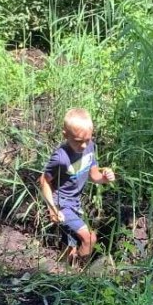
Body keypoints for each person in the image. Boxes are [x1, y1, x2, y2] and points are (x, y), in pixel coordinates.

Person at [39, 108, 116, 263]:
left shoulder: (90, 147)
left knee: (70, 246)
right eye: (78, 141)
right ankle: (80, 275)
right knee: (89, 238)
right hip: (62, 205)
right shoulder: (60, 157)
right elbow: (43, 181)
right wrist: (52, 208)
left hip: (76, 203)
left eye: (87, 140)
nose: (83, 146)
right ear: (65, 135)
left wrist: (106, 177)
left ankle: (62, 272)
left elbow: (94, 176)